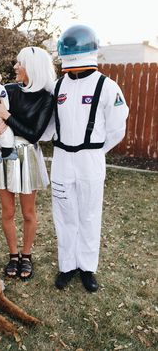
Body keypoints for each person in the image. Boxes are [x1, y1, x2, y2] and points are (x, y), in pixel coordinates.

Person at [49, 25, 129, 291]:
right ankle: (67, 266)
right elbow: (49, 125)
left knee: (89, 215)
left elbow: (118, 129)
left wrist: (94, 151)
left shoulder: (107, 87)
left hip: (91, 159)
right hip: (61, 159)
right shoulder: (58, 86)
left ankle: (87, 268)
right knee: (64, 214)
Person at [0, 46, 56, 280]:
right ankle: (13, 255)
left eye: (19, 63)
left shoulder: (47, 98)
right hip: (5, 155)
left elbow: (34, 135)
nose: (15, 66)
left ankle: (26, 256)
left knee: (28, 212)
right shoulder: (7, 90)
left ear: (33, 68)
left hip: (27, 156)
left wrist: (7, 117)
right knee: (7, 211)